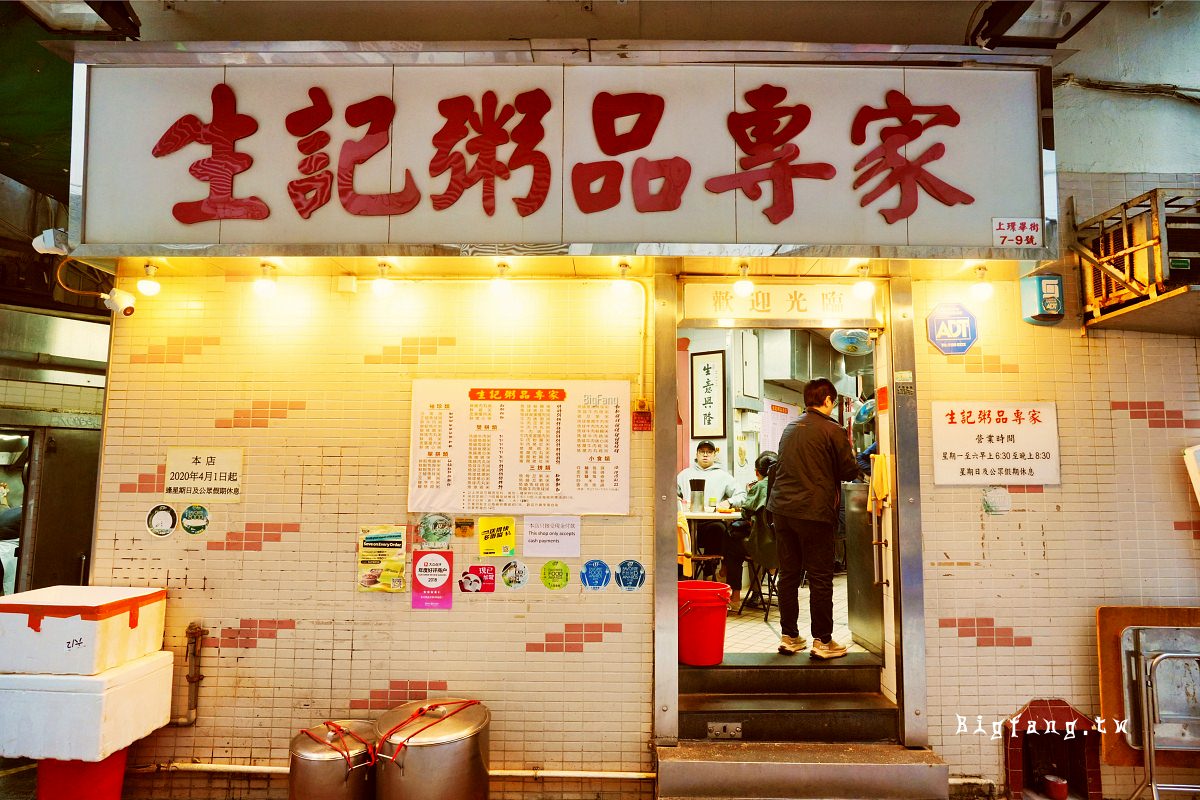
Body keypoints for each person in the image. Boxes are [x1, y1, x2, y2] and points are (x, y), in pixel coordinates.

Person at [768, 378, 861, 659]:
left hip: (782, 511)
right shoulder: (833, 430)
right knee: (820, 577)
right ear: (828, 400)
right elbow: (849, 471)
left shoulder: (790, 428)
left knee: (788, 574)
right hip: (814, 512)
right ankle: (823, 641)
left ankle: (789, 637)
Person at [677, 440, 744, 594]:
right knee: (675, 531)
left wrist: (729, 502)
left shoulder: (723, 476)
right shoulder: (684, 475)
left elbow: (742, 495)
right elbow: (671, 493)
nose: (705, 455)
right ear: (697, 454)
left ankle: (709, 572)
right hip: (687, 523)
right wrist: (678, 500)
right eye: (702, 452)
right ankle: (681, 579)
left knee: (718, 529)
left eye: (709, 452)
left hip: (710, 522)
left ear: (714, 455)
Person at [729, 450, 778, 610]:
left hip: (763, 544)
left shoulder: (760, 486)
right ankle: (771, 567)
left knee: (732, 544)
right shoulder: (787, 484)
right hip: (786, 547)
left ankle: (735, 596)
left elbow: (745, 513)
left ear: (757, 472)